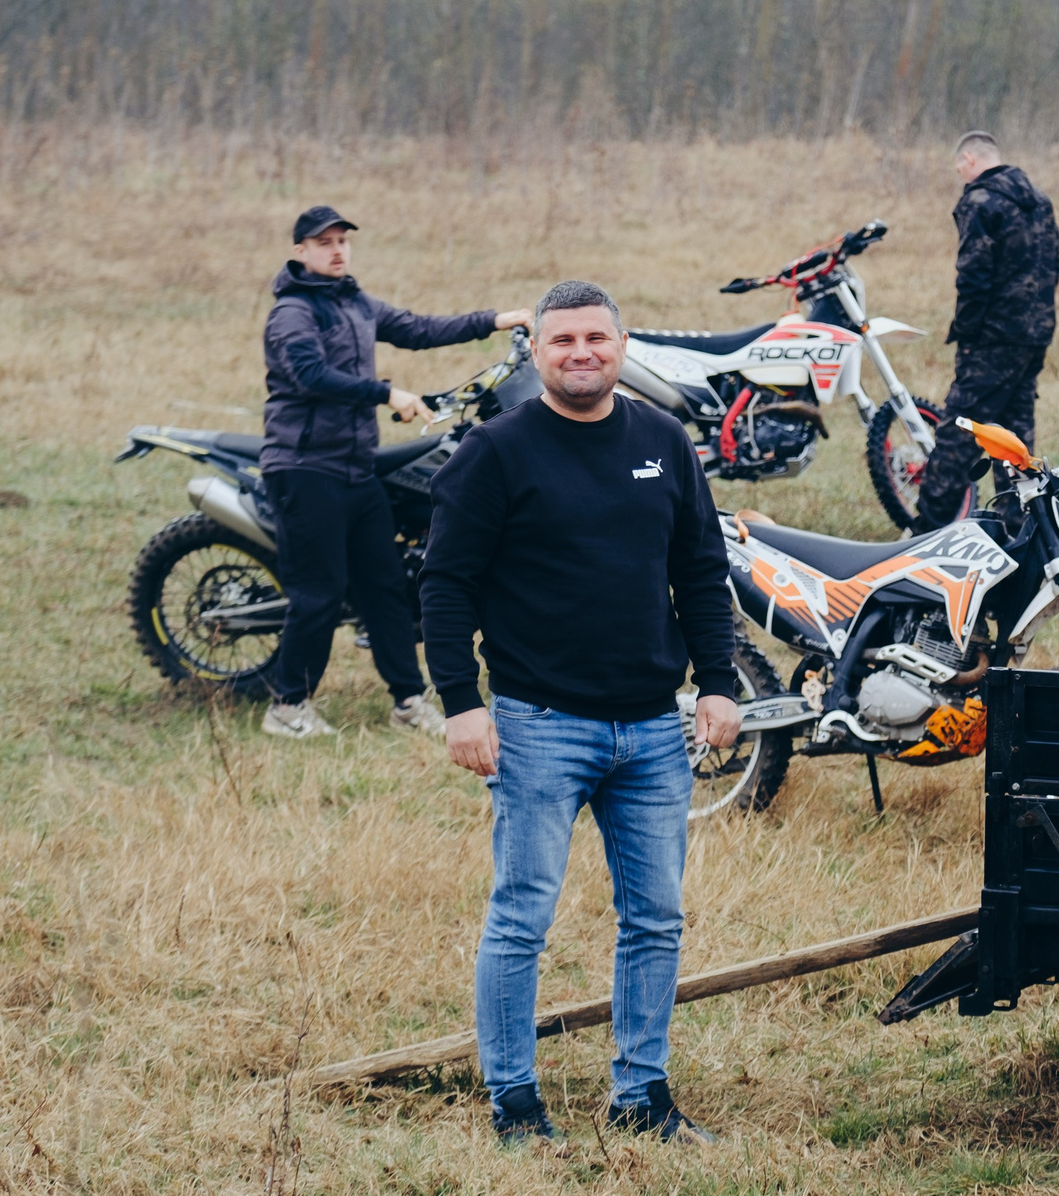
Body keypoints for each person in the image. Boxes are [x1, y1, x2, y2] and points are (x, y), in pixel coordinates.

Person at [420, 280, 743, 1146]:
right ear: (536, 352)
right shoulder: (496, 452)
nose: (580, 355)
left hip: (650, 729)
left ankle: (641, 1100)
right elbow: (444, 584)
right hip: (536, 725)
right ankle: (515, 1105)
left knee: (655, 918)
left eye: (595, 338)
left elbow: (702, 572)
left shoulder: (663, 442)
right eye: (561, 342)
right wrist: (461, 704)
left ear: (622, 344)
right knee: (522, 915)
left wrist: (718, 682)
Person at [259, 205, 531, 740]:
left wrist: (495, 320)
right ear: (301, 252)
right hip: (304, 468)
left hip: (354, 468)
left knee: (384, 588)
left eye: (342, 240)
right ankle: (287, 705)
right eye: (324, 242)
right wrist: (389, 393)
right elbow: (312, 376)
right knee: (320, 592)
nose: (337, 250)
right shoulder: (292, 313)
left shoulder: (353, 301)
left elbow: (415, 328)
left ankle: (407, 700)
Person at [914, 131, 1059, 528]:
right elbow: (1053, 266)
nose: (960, 173)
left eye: (959, 166)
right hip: (1035, 333)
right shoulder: (1039, 200)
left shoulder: (980, 201)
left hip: (992, 338)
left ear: (969, 158)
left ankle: (926, 531)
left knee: (959, 432)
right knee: (1015, 436)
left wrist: (967, 331)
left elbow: (973, 276)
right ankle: (1017, 527)